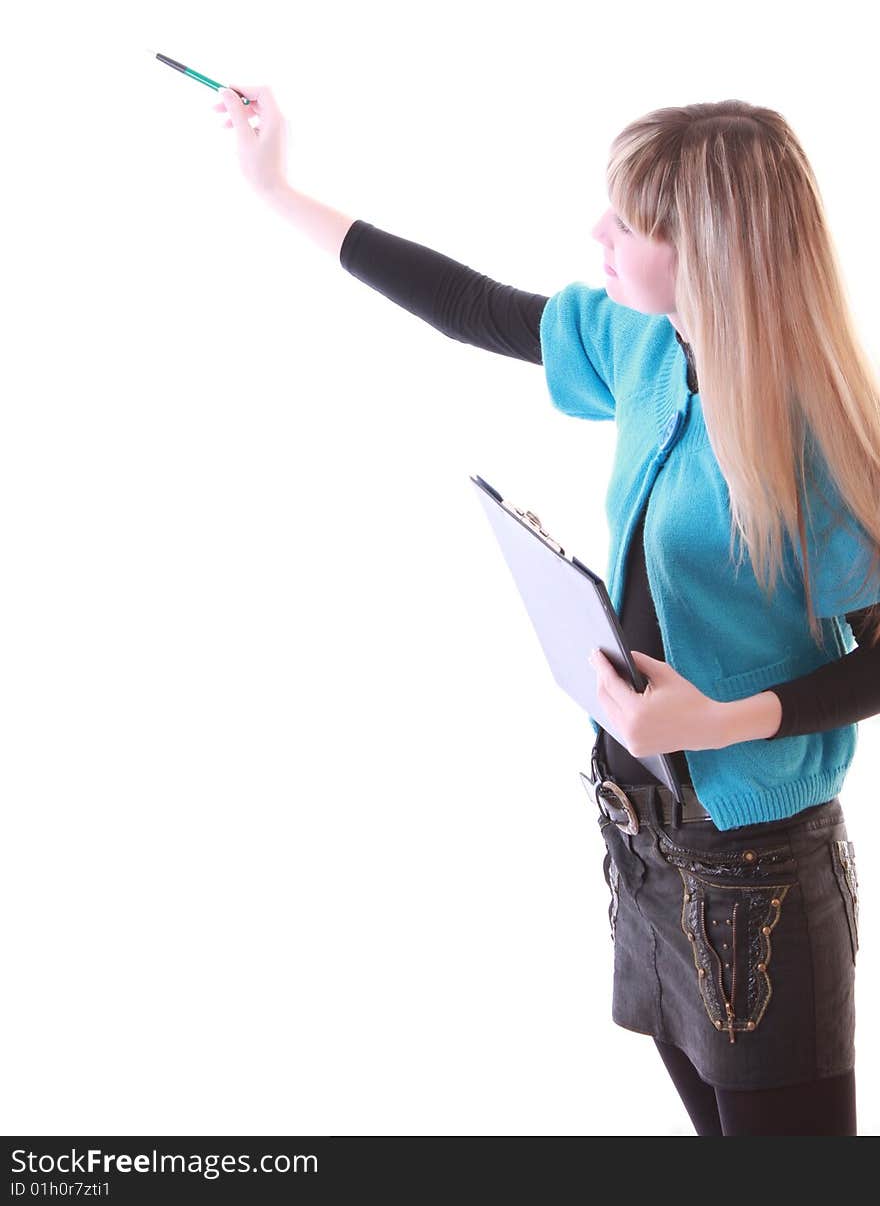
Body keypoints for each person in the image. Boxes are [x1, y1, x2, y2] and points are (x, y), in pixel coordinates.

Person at [214, 87, 879, 1136]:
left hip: (754, 876)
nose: (597, 235)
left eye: (627, 220)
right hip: (646, 842)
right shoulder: (646, 344)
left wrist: (719, 719)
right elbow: (477, 309)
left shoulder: (816, 432)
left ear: (701, 247)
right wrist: (275, 191)